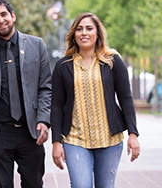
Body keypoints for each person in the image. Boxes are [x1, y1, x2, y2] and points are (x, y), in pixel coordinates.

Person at [50, 12, 140, 188]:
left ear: (97, 33)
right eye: (79, 29)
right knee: (80, 185)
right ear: (74, 35)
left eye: (89, 28)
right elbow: (56, 105)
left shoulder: (113, 61)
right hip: (75, 139)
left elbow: (126, 99)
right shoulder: (63, 66)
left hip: (109, 139)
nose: (84, 33)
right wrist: (56, 142)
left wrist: (133, 134)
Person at [0, 0, 52, 188]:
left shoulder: (37, 45)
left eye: (4, 14)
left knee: (34, 184)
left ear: (13, 16)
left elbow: (45, 88)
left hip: (31, 130)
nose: (0, 20)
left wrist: (43, 120)